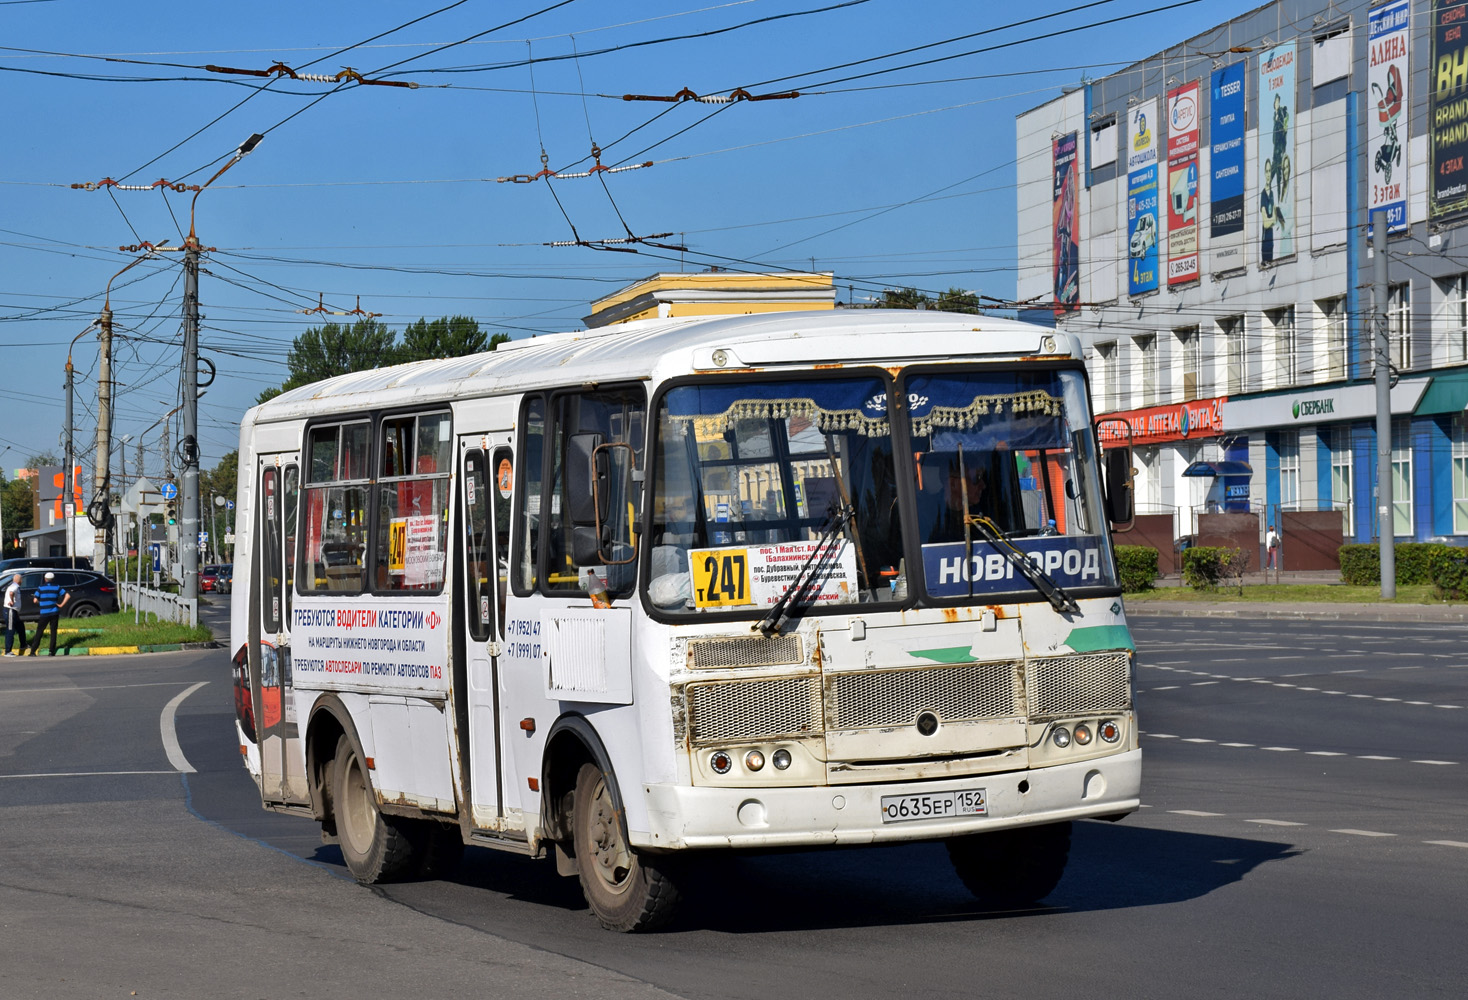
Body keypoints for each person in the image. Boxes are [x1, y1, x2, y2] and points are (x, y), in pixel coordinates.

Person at [28, 572, 70, 658]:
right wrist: (61, 605)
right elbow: (67, 595)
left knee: (39, 631)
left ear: (45, 579)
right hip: (54, 612)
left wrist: (41, 603)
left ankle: (33, 651)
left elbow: (35, 600)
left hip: (44, 613)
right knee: (53, 632)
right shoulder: (57, 587)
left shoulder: (41, 588)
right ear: (53, 579)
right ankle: (51, 651)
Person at [3, 572, 25, 656]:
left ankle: (23, 644)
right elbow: (11, 592)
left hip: (14, 611)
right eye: (21, 579)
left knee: (20, 626)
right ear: (19, 580)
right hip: (10, 610)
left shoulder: (16, 586)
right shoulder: (14, 586)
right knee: (10, 630)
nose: (22, 581)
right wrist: (11, 600)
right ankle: (8, 651)